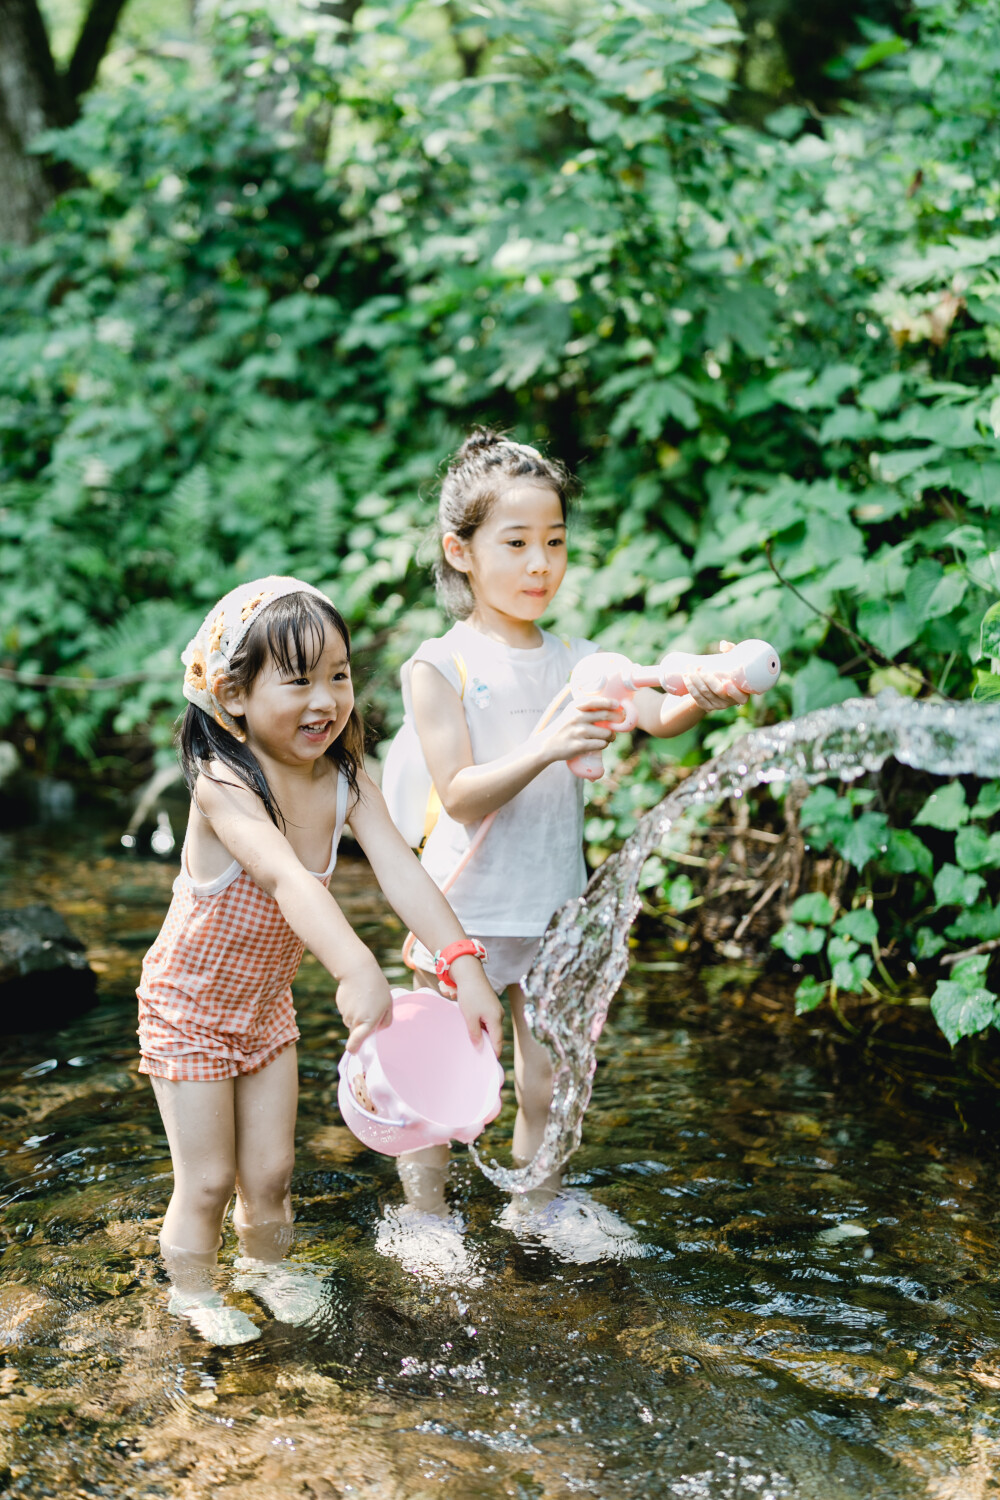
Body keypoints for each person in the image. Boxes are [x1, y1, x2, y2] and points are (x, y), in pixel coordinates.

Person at [393, 430, 750, 1263]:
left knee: (547, 1084)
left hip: (554, 908)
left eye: (554, 542)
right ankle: (427, 1220)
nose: (539, 563)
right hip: (462, 913)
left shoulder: (582, 661)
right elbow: (458, 792)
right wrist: (548, 745)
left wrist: (706, 689)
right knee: (438, 1078)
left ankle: (536, 1208)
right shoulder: (440, 665)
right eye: (514, 543)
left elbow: (657, 716)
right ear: (462, 551)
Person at [137, 575, 502, 1343]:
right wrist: (354, 966)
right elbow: (282, 876)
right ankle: (192, 1291)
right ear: (234, 694)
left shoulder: (342, 778)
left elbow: (404, 869)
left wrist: (463, 962)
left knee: (268, 1176)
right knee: (205, 1181)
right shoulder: (223, 783)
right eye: (298, 680)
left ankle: (265, 1270)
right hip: (189, 1012)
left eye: (337, 676)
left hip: (265, 1007)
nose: (325, 700)